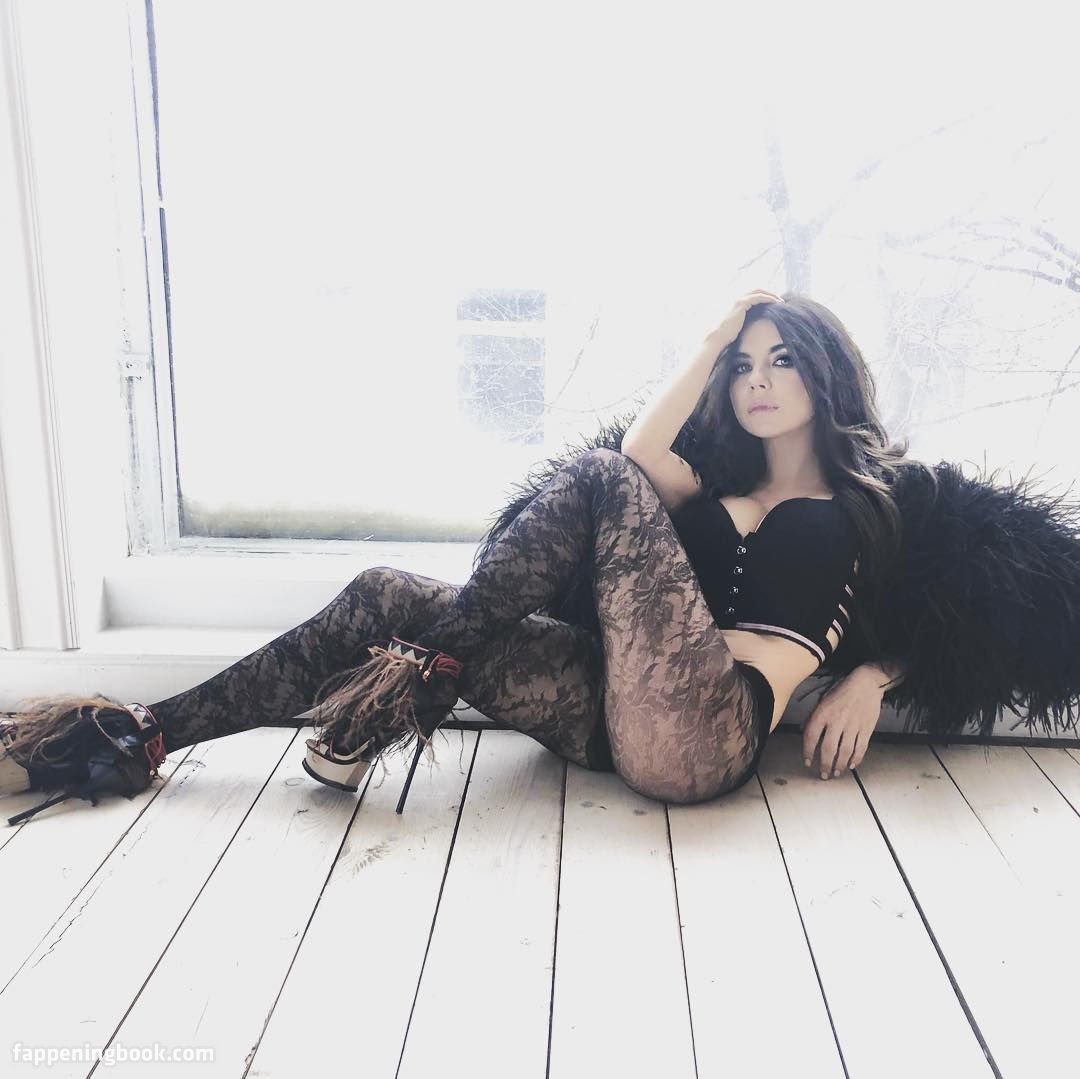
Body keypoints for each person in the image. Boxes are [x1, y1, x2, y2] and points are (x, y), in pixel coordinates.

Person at [0, 292, 940, 823]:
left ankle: (415, 683)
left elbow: (944, 608)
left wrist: (873, 679)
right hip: (609, 715)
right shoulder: (708, 487)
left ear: (823, 370)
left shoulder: (877, 502)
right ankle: (132, 734)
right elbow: (642, 455)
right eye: (744, 365)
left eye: (781, 359)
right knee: (382, 592)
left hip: (710, 732)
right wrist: (710, 340)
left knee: (598, 479)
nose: (757, 380)